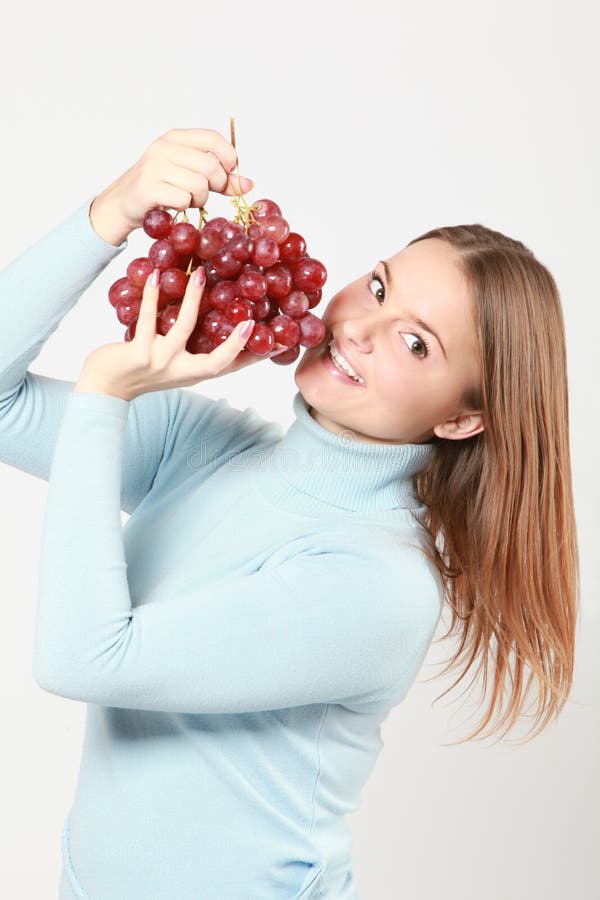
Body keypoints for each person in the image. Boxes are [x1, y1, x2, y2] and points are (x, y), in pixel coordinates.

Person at [0, 127, 579, 900]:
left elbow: (83, 659)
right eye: (378, 287)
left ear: (461, 419)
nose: (360, 332)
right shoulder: (208, 445)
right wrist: (115, 211)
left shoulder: (378, 585)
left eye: (414, 344)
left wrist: (106, 394)